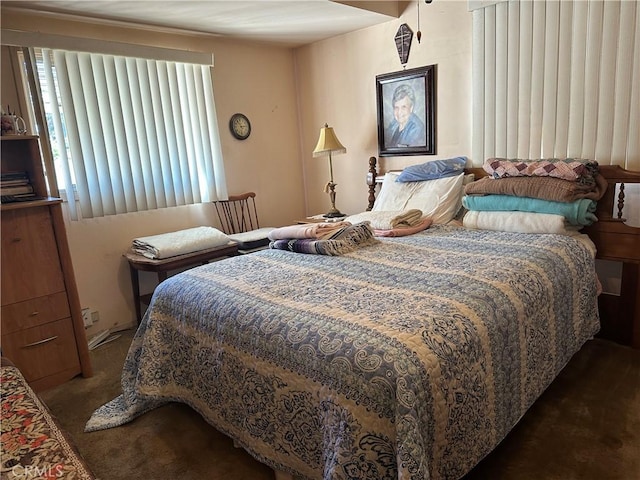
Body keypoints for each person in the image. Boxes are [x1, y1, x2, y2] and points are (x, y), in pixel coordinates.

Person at [384, 83, 426, 148]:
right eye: (396, 107)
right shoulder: (394, 124)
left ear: (411, 108)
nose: (399, 112)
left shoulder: (417, 128)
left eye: (404, 107)